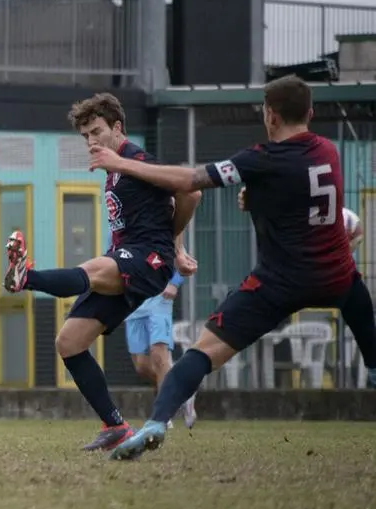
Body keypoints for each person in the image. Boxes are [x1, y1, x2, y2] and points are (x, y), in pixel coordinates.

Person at [87, 75, 376, 460]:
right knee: (371, 350)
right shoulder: (328, 152)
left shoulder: (261, 159)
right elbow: (299, 199)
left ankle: (156, 423)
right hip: (340, 277)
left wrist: (120, 162)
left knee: (201, 354)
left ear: (269, 116)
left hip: (280, 282)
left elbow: (191, 180)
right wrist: (256, 198)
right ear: (311, 112)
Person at [4, 93, 201, 451]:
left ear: (117, 128)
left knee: (92, 268)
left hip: (147, 259)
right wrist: (178, 245)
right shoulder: (114, 170)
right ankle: (115, 426)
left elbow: (190, 191)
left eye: (97, 132)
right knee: (69, 342)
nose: (92, 141)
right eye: (85, 136)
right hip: (129, 257)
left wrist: (173, 245)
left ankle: (26, 277)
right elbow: (168, 203)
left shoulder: (135, 159)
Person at [124, 271, 197, 428]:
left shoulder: (166, 245)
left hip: (159, 300)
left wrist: (174, 282)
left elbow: (182, 259)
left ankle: (163, 416)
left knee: (159, 356)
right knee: (142, 367)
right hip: (134, 305)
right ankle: (183, 393)